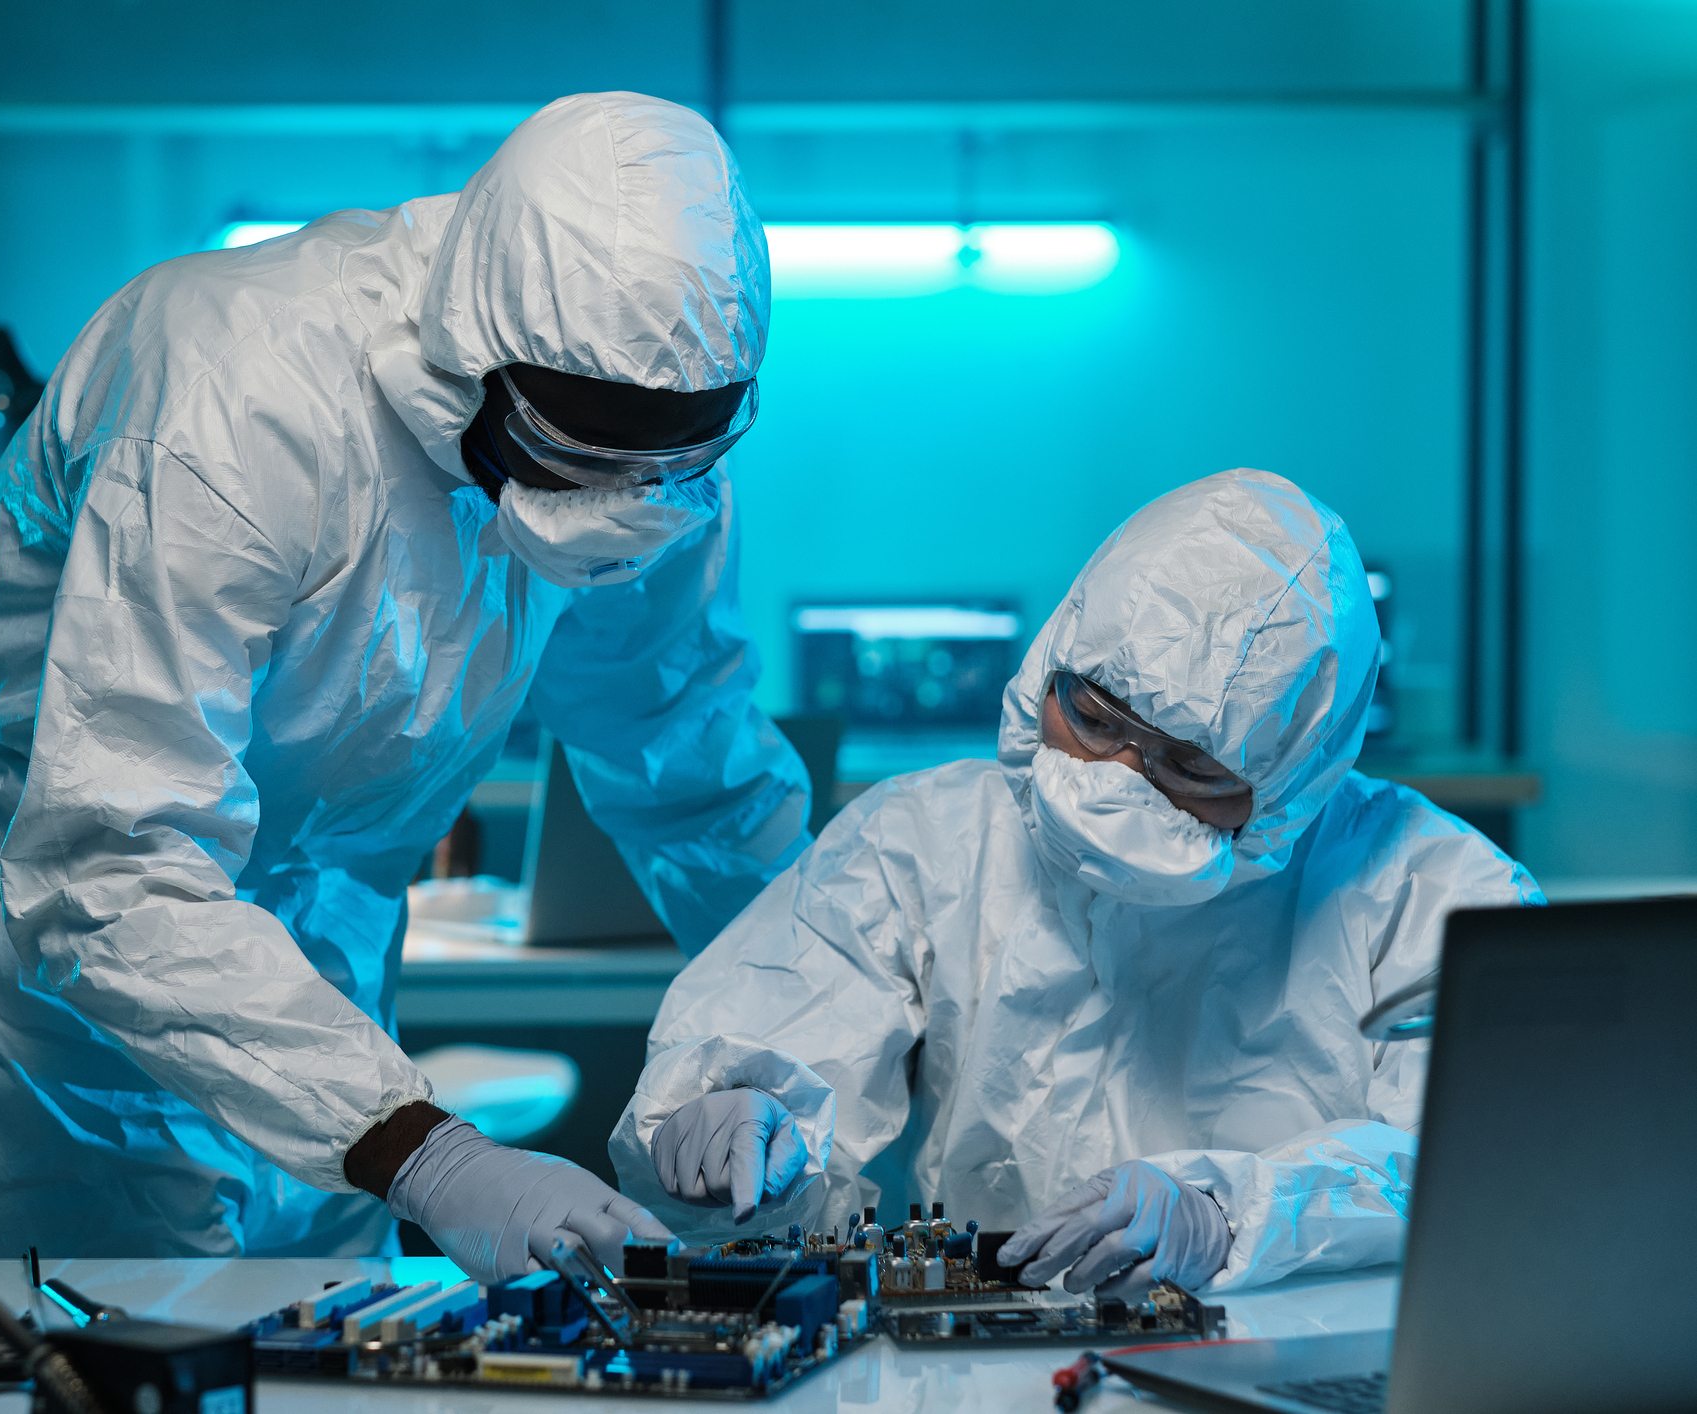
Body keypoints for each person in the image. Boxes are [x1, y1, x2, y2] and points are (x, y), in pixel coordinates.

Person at [0, 92, 813, 1276]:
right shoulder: (233, 396)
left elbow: (686, 760)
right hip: (39, 896)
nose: (613, 509)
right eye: (572, 464)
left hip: (325, 896)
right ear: (476, 362)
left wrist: (788, 1029)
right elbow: (111, 856)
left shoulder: (661, 446)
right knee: (133, 1309)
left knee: (322, 1305)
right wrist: (436, 1157)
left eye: (661, 472)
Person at [609, 469, 1542, 1295]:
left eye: (1191, 770)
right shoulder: (925, 840)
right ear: (1053, 661)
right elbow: (788, 1023)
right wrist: (739, 1112)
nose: (1117, 784)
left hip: (1291, 1360)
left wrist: (1233, 1212)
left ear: (1296, 774)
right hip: (986, 1351)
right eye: (1094, 721)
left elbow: (1490, 1158)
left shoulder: (1432, 890)